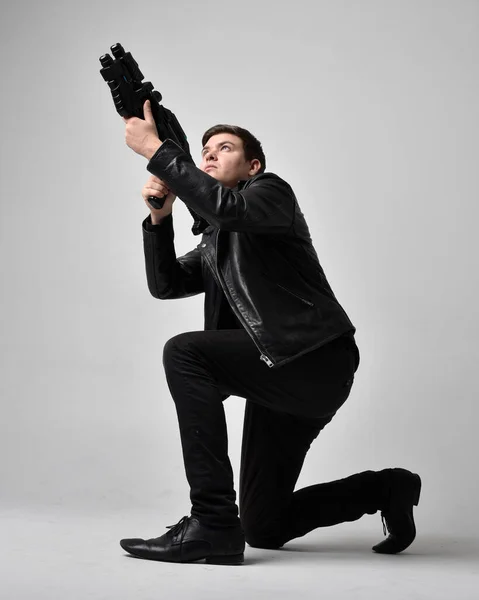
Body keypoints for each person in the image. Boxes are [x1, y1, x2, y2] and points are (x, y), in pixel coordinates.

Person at [118, 100, 422, 565]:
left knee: (184, 352)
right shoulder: (217, 241)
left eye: (225, 148)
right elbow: (167, 285)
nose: (211, 156)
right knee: (264, 525)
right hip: (276, 376)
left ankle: (212, 522)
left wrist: (158, 150)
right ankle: (387, 488)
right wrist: (161, 217)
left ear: (253, 165)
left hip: (317, 359)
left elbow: (229, 209)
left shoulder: (270, 194)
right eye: (204, 152)